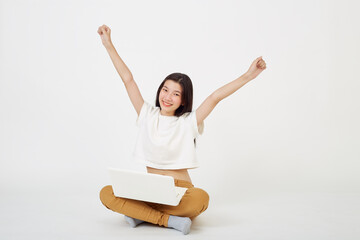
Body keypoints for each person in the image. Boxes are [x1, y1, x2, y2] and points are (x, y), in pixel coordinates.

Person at [97, 24, 267, 235]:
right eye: (165, 90)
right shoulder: (146, 114)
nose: (167, 97)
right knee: (106, 193)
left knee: (201, 199)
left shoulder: (189, 122)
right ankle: (168, 220)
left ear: (184, 99)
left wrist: (248, 75)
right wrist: (108, 44)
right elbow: (128, 79)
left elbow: (215, 97)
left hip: (180, 193)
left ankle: (140, 214)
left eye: (175, 94)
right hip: (147, 190)